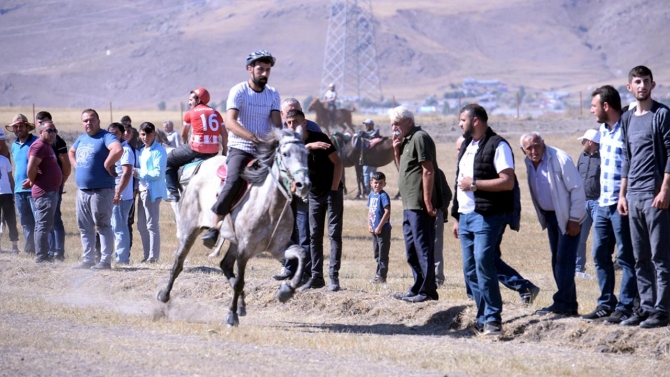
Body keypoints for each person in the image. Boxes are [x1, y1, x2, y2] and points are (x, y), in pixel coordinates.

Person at [201, 50, 282, 248]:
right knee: (234, 179)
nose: (264, 73)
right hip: (241, 148)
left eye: (267, 70)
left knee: (286, 179)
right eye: (260, 69)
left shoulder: (273, 94)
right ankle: (214, 226)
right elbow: (230, 122)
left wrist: (279, 141)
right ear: (249, 69)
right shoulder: (239, 91)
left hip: (265, 150)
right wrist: (253, 138)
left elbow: (277, 126)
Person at [451, 104, 515, 335]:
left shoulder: (498, 145)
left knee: (483, 263)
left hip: (487, 216)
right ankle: (482, 317)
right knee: (470, 270)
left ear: (475, 120)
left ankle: (493, 319)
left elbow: (508, 182)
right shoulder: (468, 145)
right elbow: (459, 182)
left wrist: (475, 185)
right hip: (466, 216)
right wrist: (457, 216)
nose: (460, 124)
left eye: (462, 120)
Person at [580, 85, 638, 324]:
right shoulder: (602, 131)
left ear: (606, 106)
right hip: (602, 204)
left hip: (621, 203)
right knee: (600, 255)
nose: (592, 111)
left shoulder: (628, 127)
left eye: (594, 106)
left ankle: (626, 306)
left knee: (626, 257)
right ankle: (606, 304)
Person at [618, 66, 670, 328]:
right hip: (634, 195)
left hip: (655, 194)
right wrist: (622, 194)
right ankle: (646, 307)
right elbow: (627, 157)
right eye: (637, 82)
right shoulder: (627, 118)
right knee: (639, 257)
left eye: (646, 81)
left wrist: (665, 189)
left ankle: (662, 310)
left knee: (660, 256)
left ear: (653, 85)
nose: (641, 86)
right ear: (630, 87)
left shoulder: (661, 114)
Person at [520, 132, 585, 316]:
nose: (534, 151)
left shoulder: (560, 159)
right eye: (529, 148)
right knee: (558, 260)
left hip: (566, 216)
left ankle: (563, 303)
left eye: (537, 145)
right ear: (523, 151)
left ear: (543, 143)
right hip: (551, 217)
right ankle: (568, 304)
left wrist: (574, 219)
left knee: (564, 261)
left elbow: (577, 190)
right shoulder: (529, 163)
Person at [284, 110, 344, 292]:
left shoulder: (320, 137)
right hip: (313, 195)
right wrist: (309, 148)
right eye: (288, 122)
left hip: (331, 192)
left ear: (304, 123)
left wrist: (334, 189)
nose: (292, 126)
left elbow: (338, 163)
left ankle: (334, 277)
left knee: (334, 235)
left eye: (296, 122)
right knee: (314, 236)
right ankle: (317, 277)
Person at [390, 106, 440, 304]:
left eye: (396, 124)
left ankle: (428, 291)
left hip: (419, 204)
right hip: (408, 203)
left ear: (408, 122)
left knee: (423, 247)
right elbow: (403, 168)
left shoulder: (420, 138)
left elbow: (428, 170)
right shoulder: (407, 140)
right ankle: (418, 286)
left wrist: (427, 201)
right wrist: (396, 150)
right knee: (411, 249)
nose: (393, 128)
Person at [272, 98, 322, 281]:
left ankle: (306, 271)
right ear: (283, 116)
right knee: (285, 230)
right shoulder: (281, 134)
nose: (292, 118)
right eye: (288, 114)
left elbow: (317, 160)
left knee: (304, 231)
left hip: (304, 189)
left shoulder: (314, 129)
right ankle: (289, 268)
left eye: (296, 112)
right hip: (285, 191)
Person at [68, 109, 123, 270]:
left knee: (103, 225)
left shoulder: (106, 136)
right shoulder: (82, 139)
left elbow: (117, 149)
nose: (88, 123)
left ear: (98, 121)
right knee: (84, 226)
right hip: (83, 190)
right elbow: (71, 152)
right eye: (85, 120)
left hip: (101, 190)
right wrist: (76, 166)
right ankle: (88, 259)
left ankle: (105, 261)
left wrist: (107, 164)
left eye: (91, 120)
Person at [166, 87, 225, 202]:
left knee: (168, 161)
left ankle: (173, 193)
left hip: (196, 148)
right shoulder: (216, 113)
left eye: (191, 100)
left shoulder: (190, 113)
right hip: (213, 151)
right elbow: (225, 135)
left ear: (198, 100)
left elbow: (183, 134)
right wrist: (224, 152)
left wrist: (184, 145)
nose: (189, 103)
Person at [24, 120, 62, 263]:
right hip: (44, 192)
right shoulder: (39, 146)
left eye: (54, 130)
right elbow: (31, 168)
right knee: (43, 224)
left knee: (46, 224)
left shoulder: (47, 146)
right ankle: (41, 256)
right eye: (49, 131)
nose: (53, 133)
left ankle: (44, 254)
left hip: (50, 190)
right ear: (41, 132)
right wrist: (33, 181)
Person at [35, 111, 70, 261]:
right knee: (45, 219)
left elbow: (66, 164)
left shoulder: (57, 142)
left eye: (51, 128)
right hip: (43, 187)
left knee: (55, 218)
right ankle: (48, 251)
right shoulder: (41, 143)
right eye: (39, 122)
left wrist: (62, 181)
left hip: (54, 187)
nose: (51, 132)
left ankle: (58, 252)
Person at [136, 122, 168, 263]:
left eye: (149, 134)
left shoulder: (159, 151)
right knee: (142, 225)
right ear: (139, 134)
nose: (146, 137)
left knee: (152, 224)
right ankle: (146, 255)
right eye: (143, 134)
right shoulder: (143, 150)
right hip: (142, 189)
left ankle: (153, 257)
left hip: (152, 191)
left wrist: (138, 173)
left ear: (154, 134)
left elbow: (158, 173)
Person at [7, 114, 38, 255]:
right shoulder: (14, 146)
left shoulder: (37, 143)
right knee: (25, 222)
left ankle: (42, 250)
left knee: (39, 221)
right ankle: (30, 250)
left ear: (27, 127)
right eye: (16, 127)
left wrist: (34, 179)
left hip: (35, 189)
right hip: (19, 190)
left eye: (21, 126)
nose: (19, 129)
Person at [108, 122, 135, 265]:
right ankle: (119, 257)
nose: (113, 136)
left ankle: (122, 259)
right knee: (115, 226)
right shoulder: (113, 149)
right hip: (115, 193)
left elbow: (126, 173)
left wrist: (118, 192)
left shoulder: (125, 150)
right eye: (110, 133)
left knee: (120, 227)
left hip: (122, 196)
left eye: (116, 133)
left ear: (122, 134)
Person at [575, 129, 601, 273]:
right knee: (579, 238)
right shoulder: (582, 156)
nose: (582, 143)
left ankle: (600, 268)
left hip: (598, 203)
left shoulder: (604, 157)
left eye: (584, 141)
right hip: (583, 202)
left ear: (590, 142)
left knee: (599, 239)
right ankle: (578, 269)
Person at [367, 171, 391, 284]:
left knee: (383, 255)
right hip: (374, 230)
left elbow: (387, 212)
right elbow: (370, 211)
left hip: (383, 230)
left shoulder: (383, 196)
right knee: (377, 254)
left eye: (381, 183)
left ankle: (381, 277)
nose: (378, 185)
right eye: (376, 183)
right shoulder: (371, 195)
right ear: (371, 183)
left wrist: (379, 227)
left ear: (384, 184)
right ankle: (378, 275)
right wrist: (369, 225)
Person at [0, 135, 19, 254]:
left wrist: (13, 191)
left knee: (11, 220)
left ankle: (15, 246)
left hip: (6, 193)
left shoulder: (5, 160)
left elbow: (10, 177)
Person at [360, 119, 380, 196]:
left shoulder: (371, 134)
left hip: (368, 159)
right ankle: (373, 191)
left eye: (367, 125)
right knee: (373, 174)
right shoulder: (375, 134)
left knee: (366, 174)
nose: (366, 126)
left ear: (371, 125)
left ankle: (367, 191)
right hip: (375, 159)